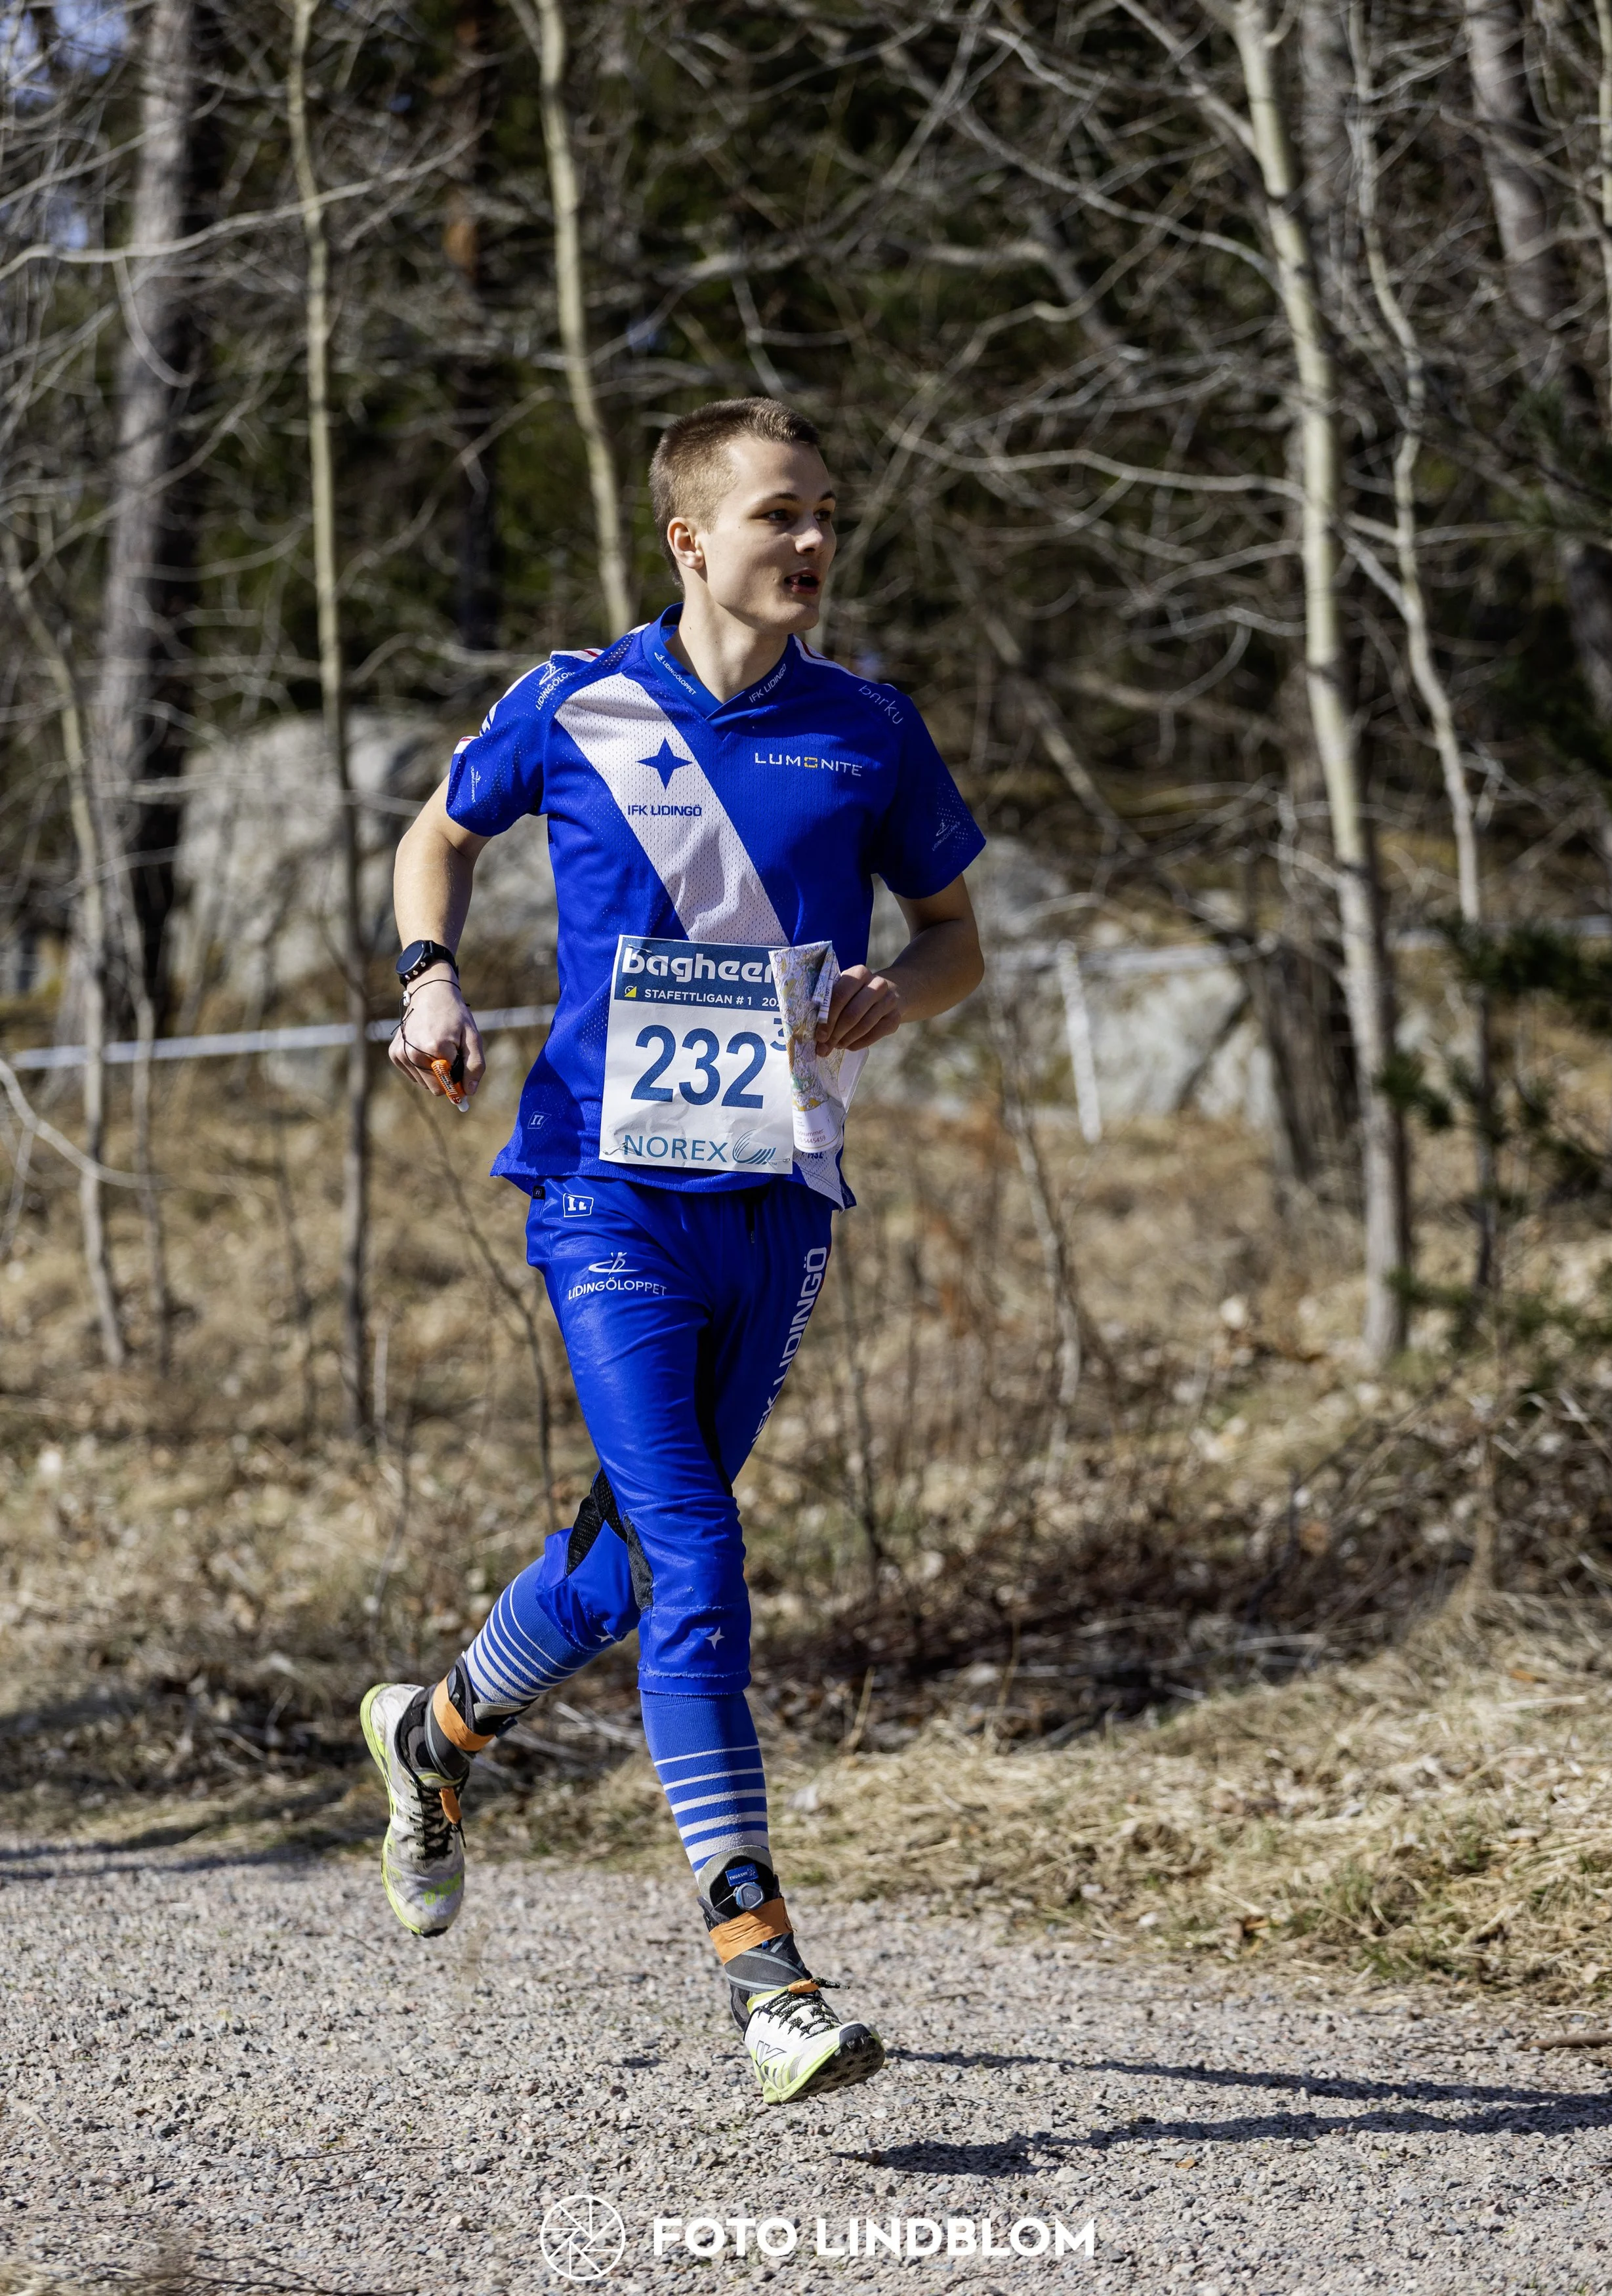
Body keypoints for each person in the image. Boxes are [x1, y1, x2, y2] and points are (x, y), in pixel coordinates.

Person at [360, 397, 984, 2106]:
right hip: (601, 1193)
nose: (811, 541)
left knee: (635, 1564)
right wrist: (428, 974)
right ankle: (763, 1968)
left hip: (779, 1197)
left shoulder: (866, 730)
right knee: (698, 1557)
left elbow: (955, 946)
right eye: (780, 512)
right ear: (687, 538)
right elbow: (438, 830)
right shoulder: (575, 701)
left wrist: (887, 997)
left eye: (830, 513)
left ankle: (432, 1735)